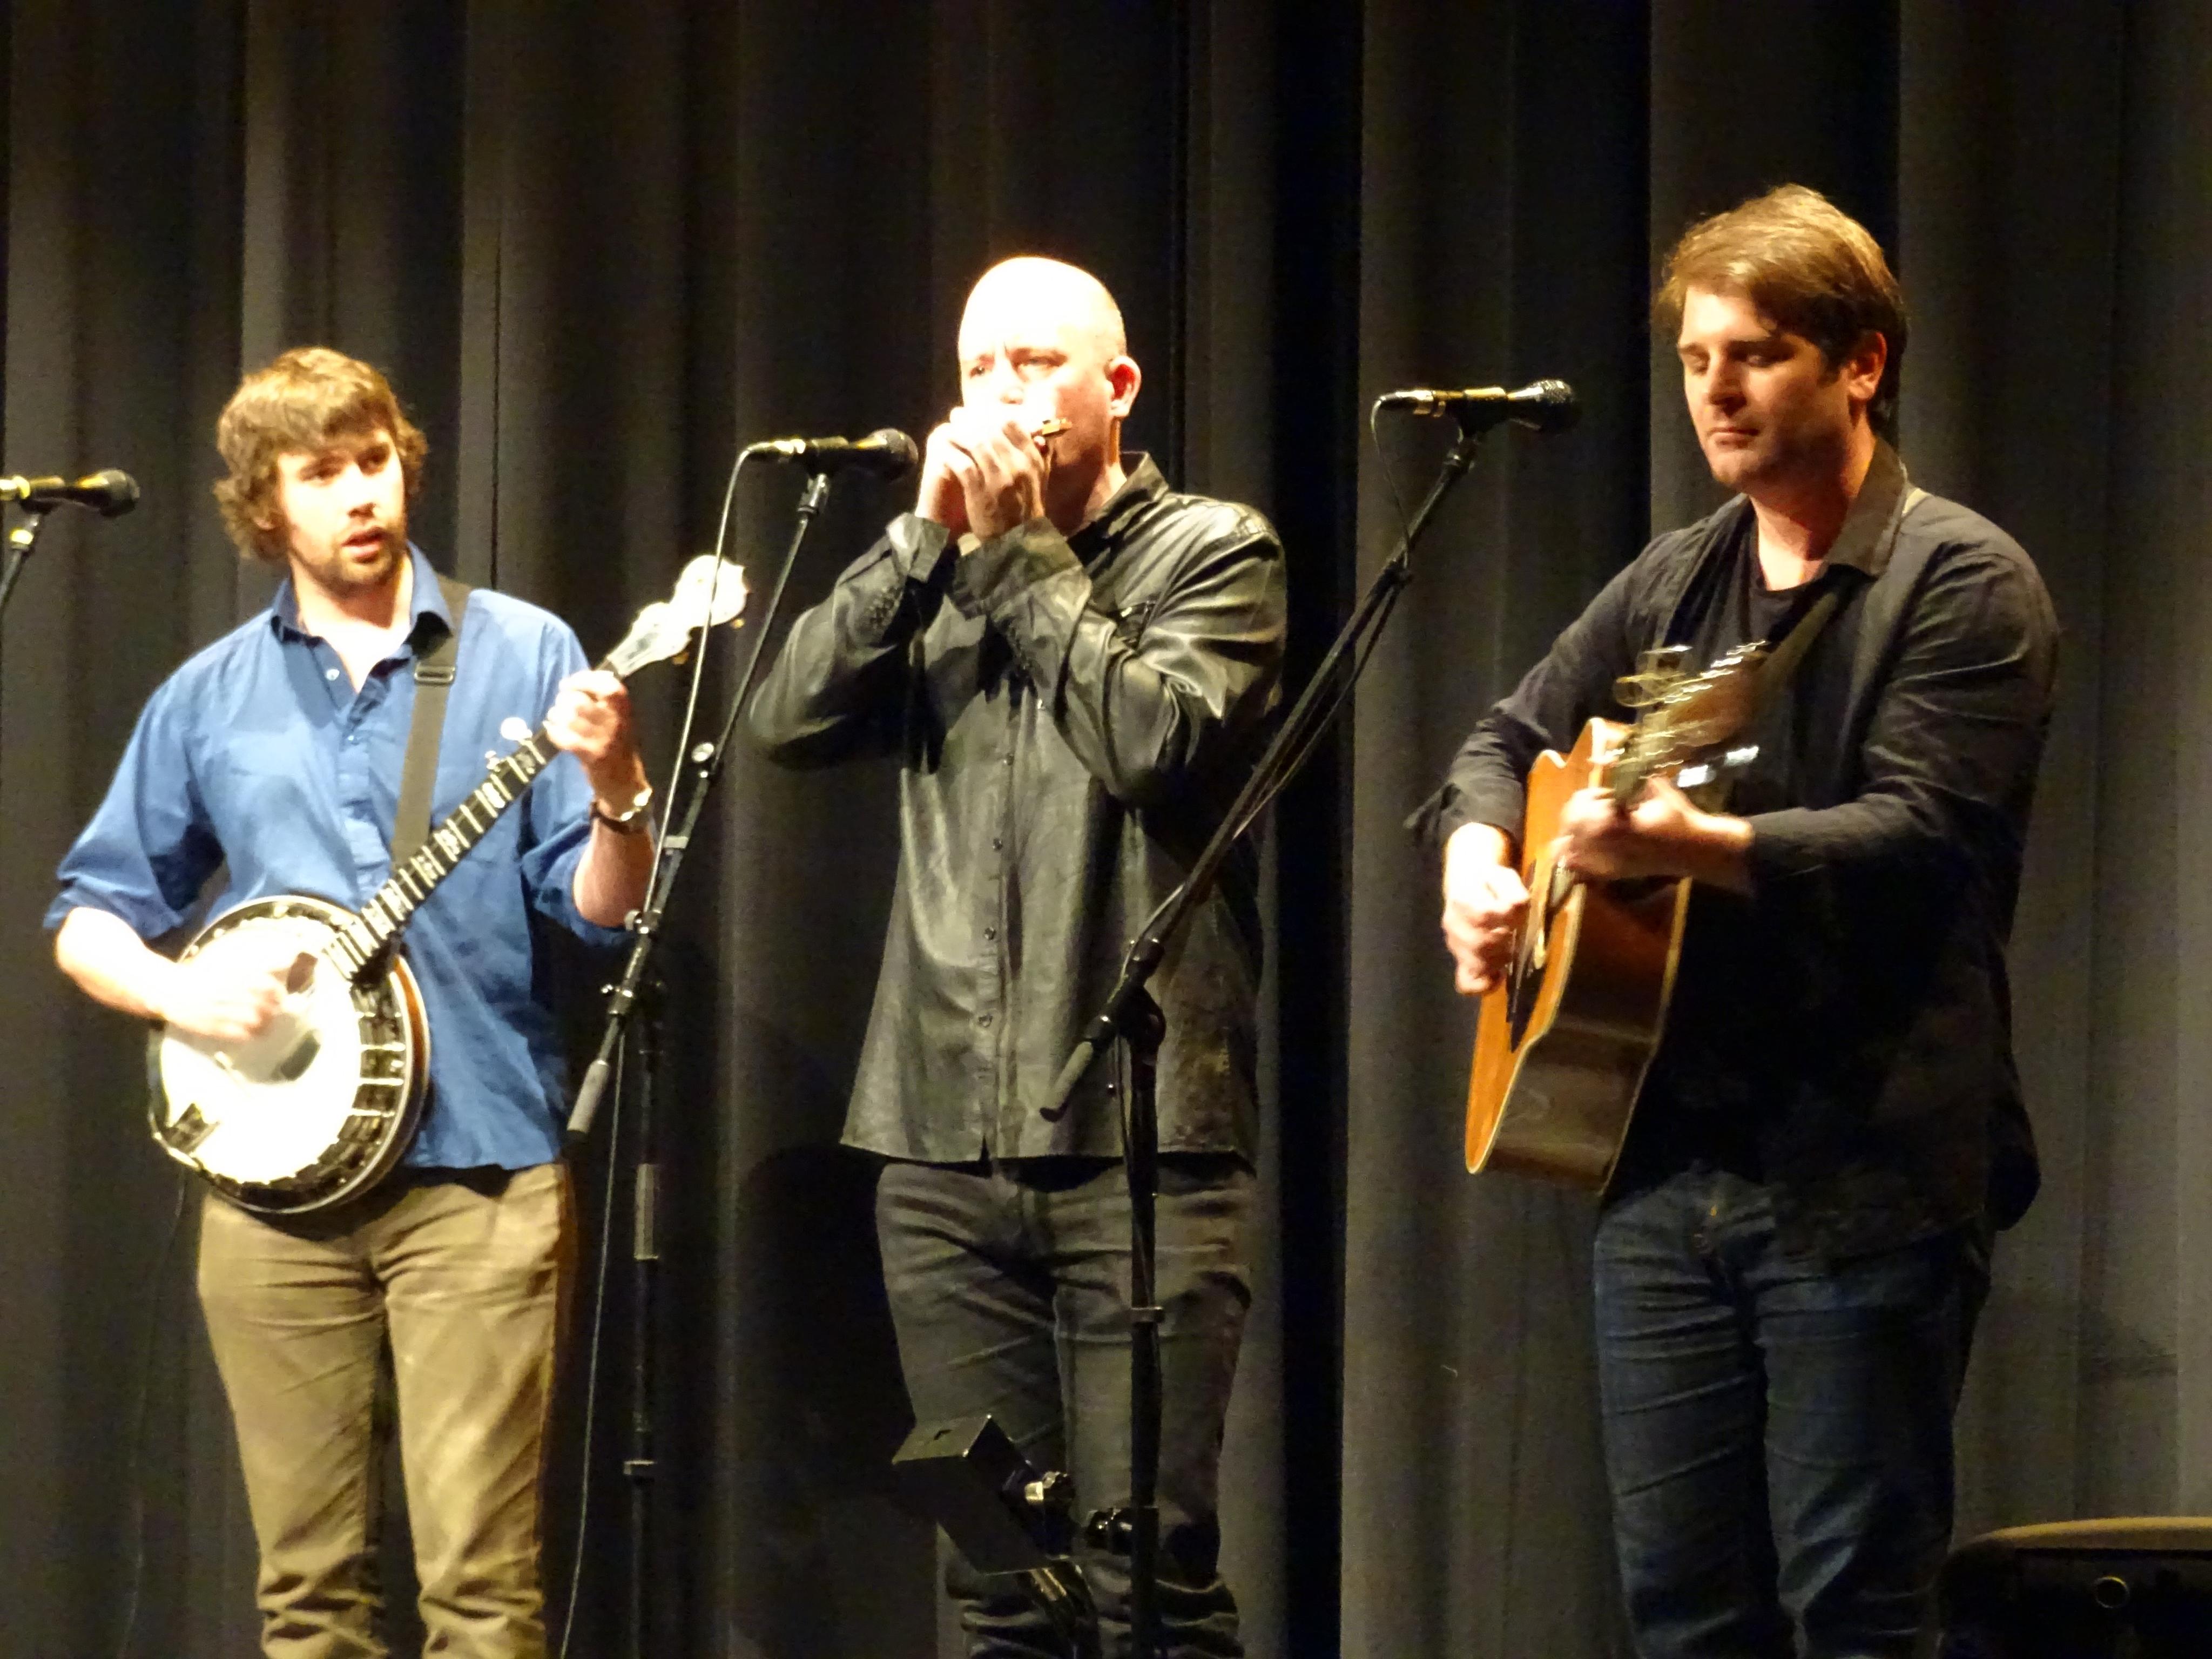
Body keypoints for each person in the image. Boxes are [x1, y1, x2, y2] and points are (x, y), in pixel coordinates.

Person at [1427, 186, 2057, 1656]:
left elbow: (1924, 837)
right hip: (1660, 1170)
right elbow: (1503, 740)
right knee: (1683, 1613)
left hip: (1862, 1173)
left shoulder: (1961, 581)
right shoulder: (1679, 577)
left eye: (1757, 354)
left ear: (1861, 364)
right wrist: (1473, 858)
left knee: (1853, 1608)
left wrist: (1690, 846)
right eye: (1697, 359)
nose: (1715, 390)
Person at [49, 346, 656, 1658]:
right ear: (265, 504)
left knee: (481, 1600)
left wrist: (617, 790)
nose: (362, 494)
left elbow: (600, 911)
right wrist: (182, 993)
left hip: (477, 1176)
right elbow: (89, 916)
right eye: (322, 474)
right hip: (274, 1194)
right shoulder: (210, 695)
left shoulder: (523, 651)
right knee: (307, 1598)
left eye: (375, 461)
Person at [748, 255, 1285, 1657]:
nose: (1002, 394)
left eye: (1036, 364)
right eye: (979, 369)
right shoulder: (939, 573)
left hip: (1141, 1152)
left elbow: (1156, 741)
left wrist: (1015, 558)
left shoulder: (1217, 552)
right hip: (939, 1156)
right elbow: (784, 722)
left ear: (1119, 386)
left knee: (1144, 1591)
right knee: (1001, 1587)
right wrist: (918, 546)